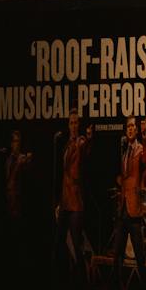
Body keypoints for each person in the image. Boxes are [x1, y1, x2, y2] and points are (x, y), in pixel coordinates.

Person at [109, 116, 146, 290]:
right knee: (117, 253)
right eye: (129, 126)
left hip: (134, 209)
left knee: (140, 254)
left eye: (133, 126)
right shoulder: (124, 150)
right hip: (123, 208)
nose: (131, 129)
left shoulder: (140, 148)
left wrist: (145, 135)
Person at [55, 112, 92, 280]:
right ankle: (63, 279)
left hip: (76, 200)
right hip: (64, 200)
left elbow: (86, 150)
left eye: (76, 122)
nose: (74, 125)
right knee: (59, 242)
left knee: (77, 243)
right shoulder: (66, 144)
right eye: (71, 122)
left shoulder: (81, 141)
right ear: (68, 125)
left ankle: (82, 281)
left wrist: (89, 139)